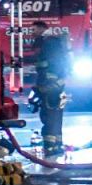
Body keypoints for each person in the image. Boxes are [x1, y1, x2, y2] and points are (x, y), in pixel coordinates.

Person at [31, 20, 68, 156]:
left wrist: (47, 84)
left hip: (49, 84)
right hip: (55, 83)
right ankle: (57, 144)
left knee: (48, 113)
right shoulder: (51, 42)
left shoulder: (48, 43)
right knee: (56, 113)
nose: (32, 33)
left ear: (42, 29)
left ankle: (50, 146)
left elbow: (52, 64)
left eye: (34, 29)